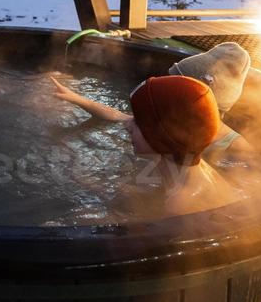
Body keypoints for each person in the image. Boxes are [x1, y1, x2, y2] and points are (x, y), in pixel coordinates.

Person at [51, 71, 241, 215]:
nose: (128, 126)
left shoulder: (182, 204)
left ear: (160, 136)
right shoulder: (182, 160)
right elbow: (116, 116)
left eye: (137, 122)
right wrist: (76, 98)